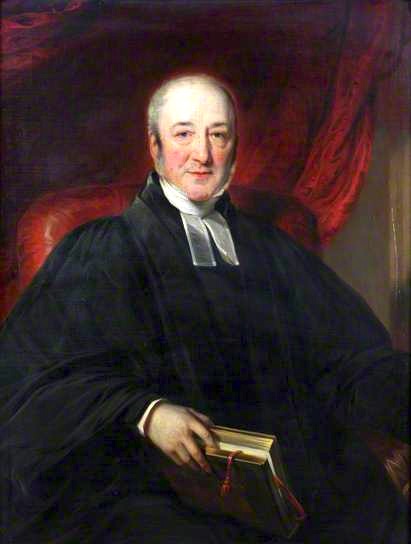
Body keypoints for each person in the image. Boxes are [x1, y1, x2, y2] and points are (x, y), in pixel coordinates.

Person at [0, 74, 408, 544]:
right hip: (153, 481)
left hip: (285, 471)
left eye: (218, 135)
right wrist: (146, 412)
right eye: (183, 134)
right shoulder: (102, 249)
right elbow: (34, 379)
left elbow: (350, 358)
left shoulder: (273, 249)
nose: (203, 154)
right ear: (154, 146)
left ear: (234, 147)